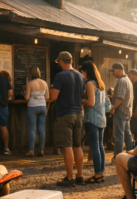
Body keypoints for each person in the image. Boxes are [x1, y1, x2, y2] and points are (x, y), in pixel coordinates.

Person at [50, 51, 86, 187]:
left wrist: (52, 91)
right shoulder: (81, 76)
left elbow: (53, 96)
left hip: (65, 114)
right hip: (78, 113)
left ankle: (70, 178)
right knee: (78, 146)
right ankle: (80, 176)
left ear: (60, 61)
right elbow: (82, 94)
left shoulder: (60, 76)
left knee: (67, 146)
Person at [80, 61, 107, 184]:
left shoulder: (90, 83)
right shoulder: (100, 84)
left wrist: (80, 100)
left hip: (92, 119)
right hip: (101, 118)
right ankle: (101, 173)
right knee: (100, 146)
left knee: (95, 147)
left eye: (82, 72)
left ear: (86, 71)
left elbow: (90, 102)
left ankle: (96, 174)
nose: (82, 75)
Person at [109, 62, 134, 161]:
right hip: (127, 110)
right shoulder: (128, 80)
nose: (112, 73)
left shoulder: (122, 81)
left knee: (118, 135)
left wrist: (113, 107)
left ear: (119, 70)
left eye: (113, 71)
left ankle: (117, 157)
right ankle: (131, 154)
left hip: (121, 110)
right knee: (127, 134)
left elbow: (120, 97)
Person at [24, 66, 49, 157]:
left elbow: (26, 97)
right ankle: (41, 150)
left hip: (32, 107)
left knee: (32, 130)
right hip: (42, 107)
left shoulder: (29, 83)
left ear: (30, 73)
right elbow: (47, 97)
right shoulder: (44, 83)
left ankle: (31, 151)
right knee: (41, 129)